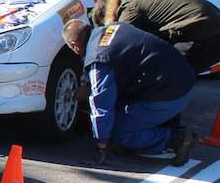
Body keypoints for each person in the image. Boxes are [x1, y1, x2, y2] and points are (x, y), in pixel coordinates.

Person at [63, 19, 197, 166]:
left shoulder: (99, 59)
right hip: (181, 78)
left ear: (75, 47)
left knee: (118, 131)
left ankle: (178, 139)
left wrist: (100, 145)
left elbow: (101, 107)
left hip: (170, 95)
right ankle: (138, 137)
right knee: (120, 113)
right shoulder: (115, 27)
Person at [93, 0, 220, 74]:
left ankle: (165, 117)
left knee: (167, 74)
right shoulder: (139, 1)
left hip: (212, 36)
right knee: (169, 71)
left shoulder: (130, 9)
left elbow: (118, 45)